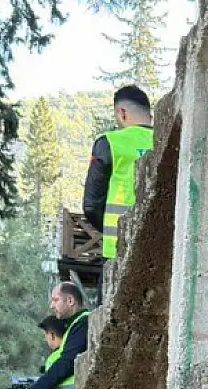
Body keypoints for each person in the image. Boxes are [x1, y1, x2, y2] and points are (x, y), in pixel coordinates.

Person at [82, 85, 156, 260]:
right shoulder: (169, 141)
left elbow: (91, 206)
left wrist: (110, 229)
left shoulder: (109, 143)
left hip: (117, 250)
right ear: (151, 117)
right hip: (161, 250)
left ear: (122, 113)